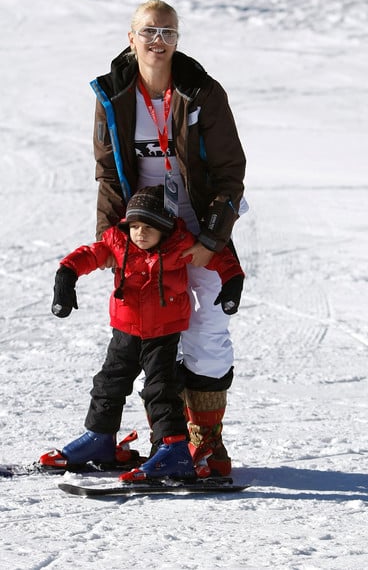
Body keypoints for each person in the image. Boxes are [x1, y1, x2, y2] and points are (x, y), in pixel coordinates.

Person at [89, 0, 246, 476]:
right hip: (144, 228)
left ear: (178, 40)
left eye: (169, 33)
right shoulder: (112, 95)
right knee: (147, 326)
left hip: (197, 220)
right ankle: (167, 438)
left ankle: (207, 441)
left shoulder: (202, 92)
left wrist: (213, 239)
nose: (159, 41)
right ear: (131, 37)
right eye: (149, 31)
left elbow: (229, 173)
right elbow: (109, 177)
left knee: (207, 327)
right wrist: (111, 242)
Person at [40, 185, 244, 481]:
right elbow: (89, 255)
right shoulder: (118, 243)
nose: (139, 233)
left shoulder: (180, 247)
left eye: (148, 227)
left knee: (160, 389)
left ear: (165, 229)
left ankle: (173, 450)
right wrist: (66, 275)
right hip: (125, 329)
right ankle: (100, 438)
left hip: (163, 333)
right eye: (134, 226)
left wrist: (232, 280)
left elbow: (219, 257)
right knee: (108, 383)